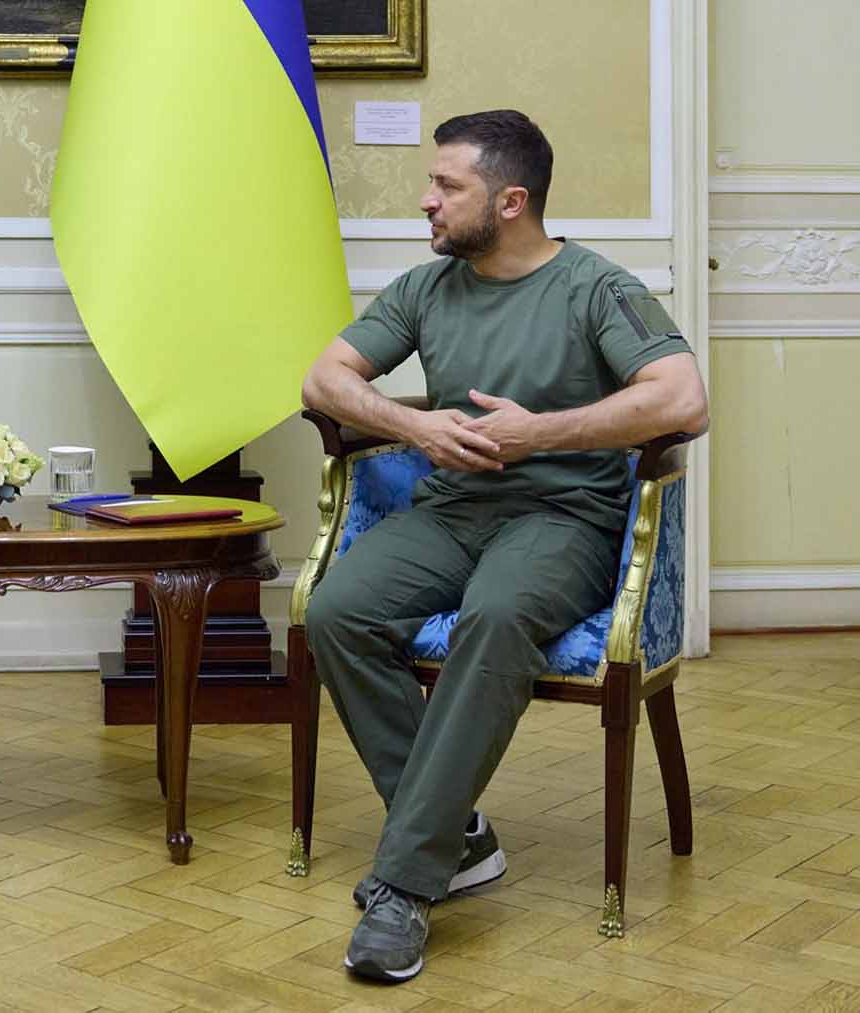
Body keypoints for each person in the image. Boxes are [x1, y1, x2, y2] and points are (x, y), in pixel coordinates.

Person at [299, 109, 708, 983]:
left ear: (511, 200)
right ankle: (459, 835)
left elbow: (682, 399)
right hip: (452, 513)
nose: (426, 201)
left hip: (562, 523)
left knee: (496, 612)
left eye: (447, 186)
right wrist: (413, 425)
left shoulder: (598, 288)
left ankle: (406, 885)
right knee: (336, 609)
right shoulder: (425, 287)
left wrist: (543, 435)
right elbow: (324, 378)